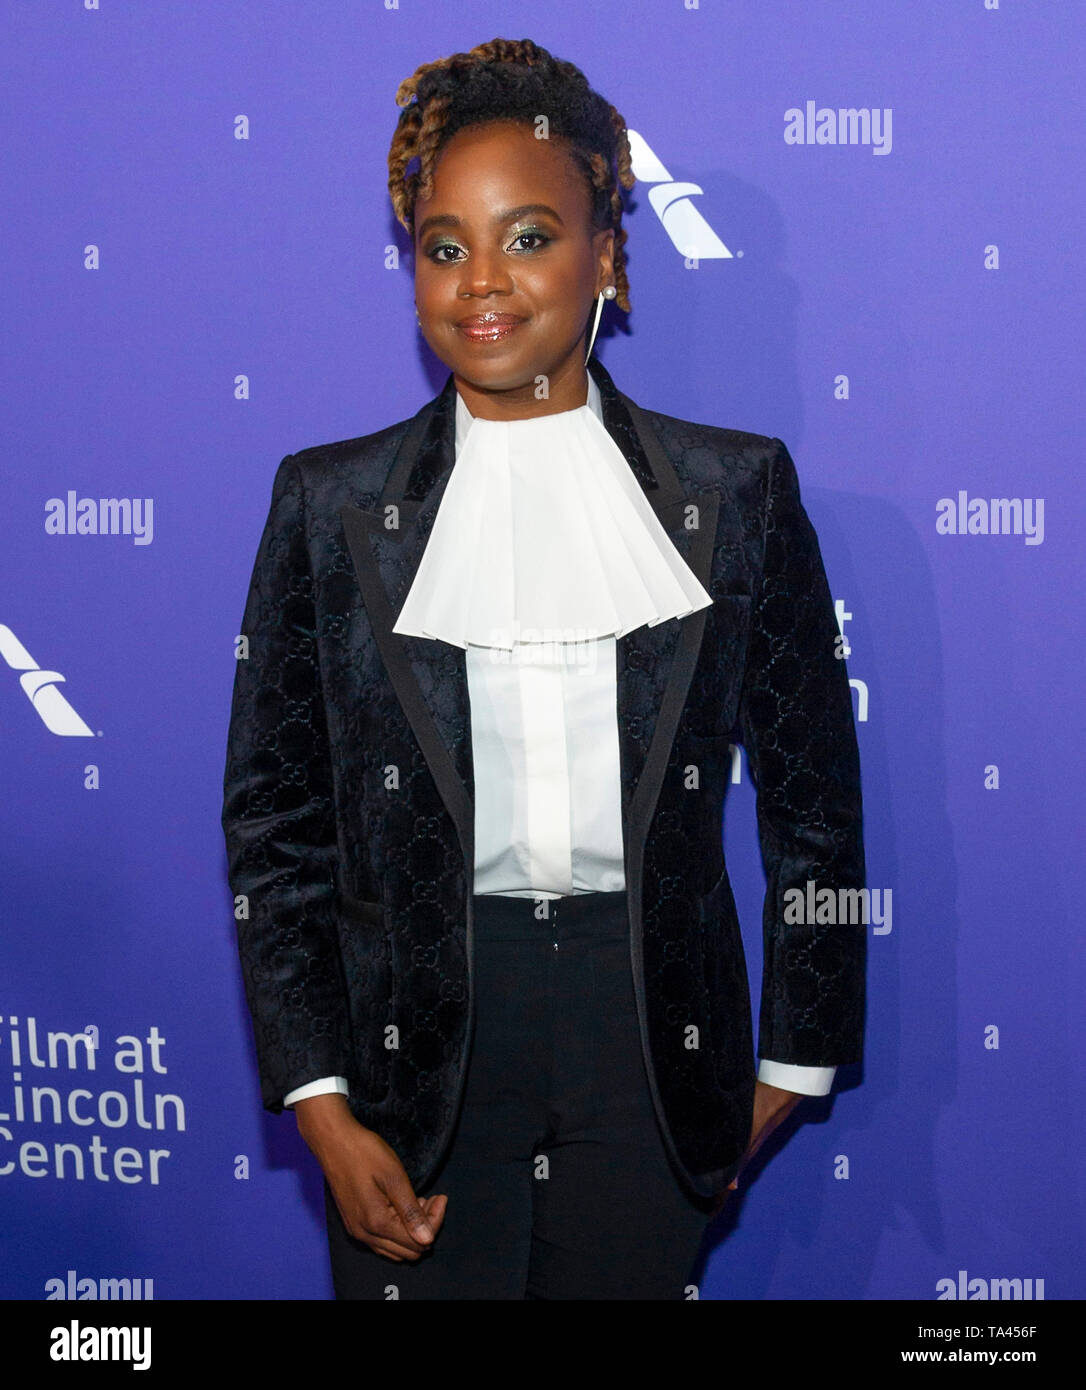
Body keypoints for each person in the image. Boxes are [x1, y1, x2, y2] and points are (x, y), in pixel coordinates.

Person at [221, 36, 866, 1300]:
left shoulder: (735, 493)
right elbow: (275, 831)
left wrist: (789, 1070)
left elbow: (817, 812)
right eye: (444, 246)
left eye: (529, 236)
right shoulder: (328, 504)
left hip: (650, 1033)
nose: (481, 284)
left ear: (609, 256)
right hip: (418, 1057)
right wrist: (319, 1103)